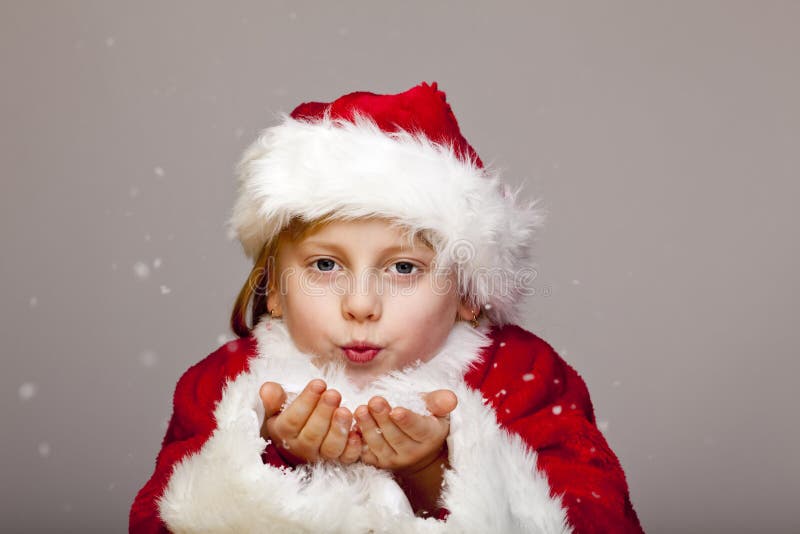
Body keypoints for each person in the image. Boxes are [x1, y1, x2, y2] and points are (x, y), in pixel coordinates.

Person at [129, 82, 644, 533]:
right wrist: (278, 459)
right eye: (326, 266)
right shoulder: (228, 389)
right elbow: (164, 519)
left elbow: (595, 518)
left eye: (403, 269)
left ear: (467, 292)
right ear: (275, 289)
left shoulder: (521, 379)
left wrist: (434, 471)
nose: (359, 305)